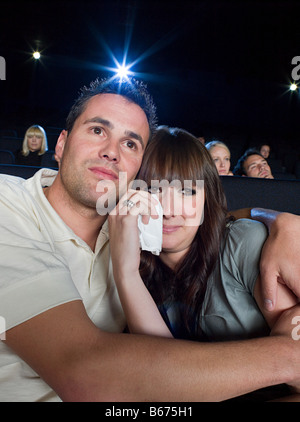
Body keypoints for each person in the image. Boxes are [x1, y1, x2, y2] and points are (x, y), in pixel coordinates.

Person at [0, 77, 300, 402]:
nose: (111, 152)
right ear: (60, 144)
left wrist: (271, 218)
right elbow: (89, 373)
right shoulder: (9, 205)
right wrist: (287, 357)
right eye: (97, 130)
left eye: (130, 143)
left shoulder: (137, 232)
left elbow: (206, 221)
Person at [108, 125, 300, 399]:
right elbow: (158, 374)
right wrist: (125, 272)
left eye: (187, 192)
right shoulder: (134, 266)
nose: (169, 210)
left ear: (206, 200)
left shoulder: (244, 244)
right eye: (153, 190)